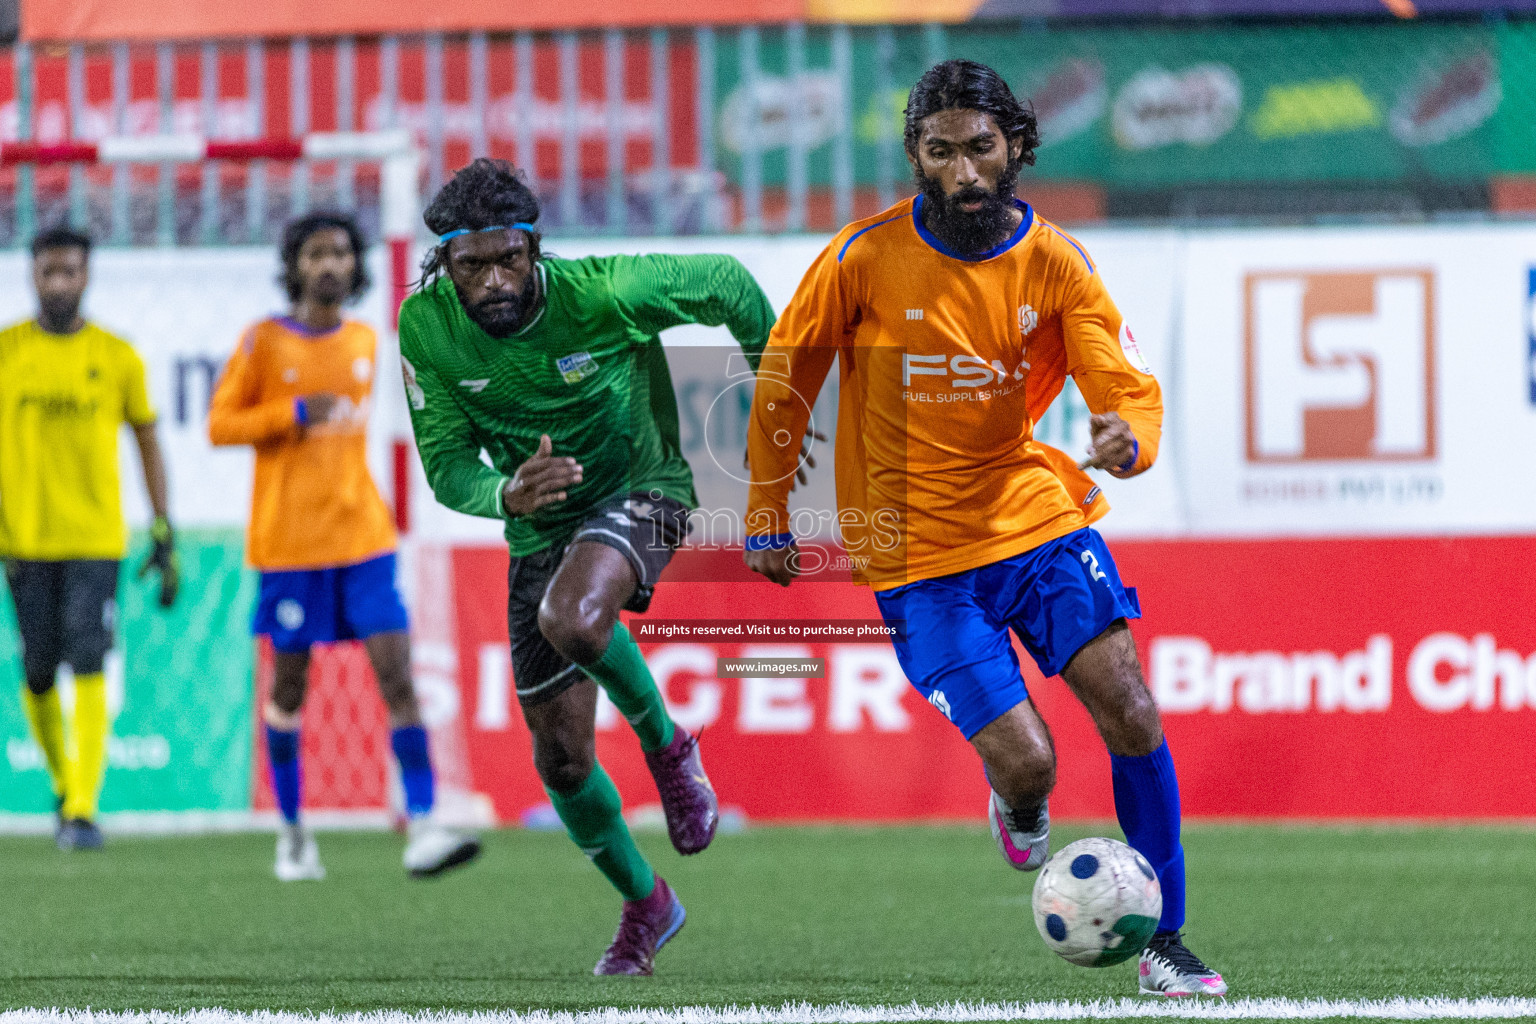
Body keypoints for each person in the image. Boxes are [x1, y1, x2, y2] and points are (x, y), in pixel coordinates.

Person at [743, 60, 1226, 998]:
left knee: (1130, 708)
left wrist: (1129, 440)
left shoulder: (1056, 263)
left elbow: (1118, 385)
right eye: (940, 152)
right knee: (1029, 758)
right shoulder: (862, 259)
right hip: (914, 554)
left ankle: (1166, 940)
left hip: (1031, 517)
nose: (962, 172)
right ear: (916, 159)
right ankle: (1023, 803)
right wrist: (765, 512)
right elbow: (784, 377)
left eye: (980, 148)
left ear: (1015, 150)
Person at [398, 158, 773, 976]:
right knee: (561, 763)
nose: (495, 280)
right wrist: (506, 492)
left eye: (510, 259)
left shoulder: (605, 291)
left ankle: (668, 747)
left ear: (535, 248)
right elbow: (447, 466)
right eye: (473, 266)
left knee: (571, 619)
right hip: (541, 528)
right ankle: (648, 905)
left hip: (648, 485)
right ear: (445, 265)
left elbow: (730, 283)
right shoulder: (424, 327)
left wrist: (775, 395)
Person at [208, 212, 480, 882]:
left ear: (355, 266)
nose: (329, 265)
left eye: (339, 254)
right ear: (294, 265)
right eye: (315, 254)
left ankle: (422, 824)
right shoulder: (263, 343)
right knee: (290, 690)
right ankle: (294, 833)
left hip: (363, 541)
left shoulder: (365, 339)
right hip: (290, 549)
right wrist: (292, 415)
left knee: (398, 678)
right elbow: (220, 425)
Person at [0, 225, 179, 852]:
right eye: (49, 270)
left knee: (88, 654)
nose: (59, 282)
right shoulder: (6, 351)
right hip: (22, 539)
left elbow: (148, 441)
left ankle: (82, 807)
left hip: (96, 539)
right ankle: (62, 784)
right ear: (32, 275)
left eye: (70, 270)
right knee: (39, 669)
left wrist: (163, 528)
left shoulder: (117, 355)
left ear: (87, 275)